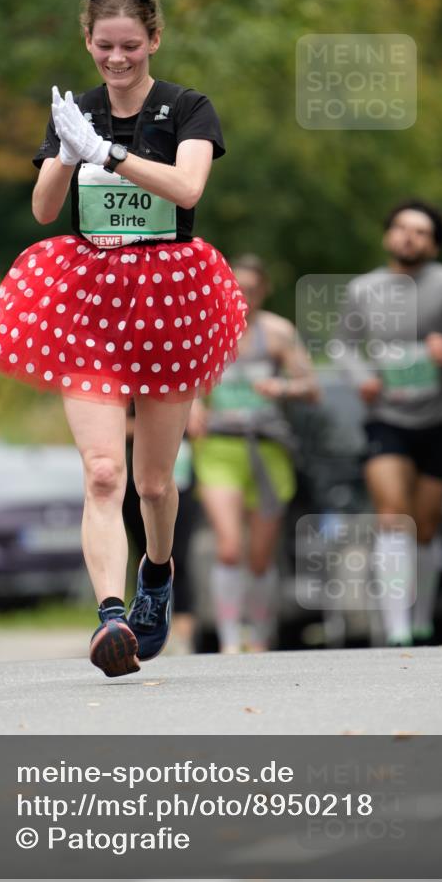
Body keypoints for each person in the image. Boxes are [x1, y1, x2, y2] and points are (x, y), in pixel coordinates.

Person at [0, 0, 248, 677]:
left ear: (152, 39)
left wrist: (112, 154)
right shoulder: (77, 109)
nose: (116, 58)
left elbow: (187, 185)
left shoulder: (188, 108)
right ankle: (110, 618)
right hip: (87, 300)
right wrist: (66, 153)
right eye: (104, 47)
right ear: (87, 42)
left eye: (129, 45)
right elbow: (41, 211)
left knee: (153, 482)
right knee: (101, 472)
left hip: (169, 297)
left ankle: (157, 574)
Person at [338, 200, 442, 646]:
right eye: (402, 228)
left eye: (421, 232)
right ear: (389, 235)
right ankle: (397, 629)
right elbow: (344, 346)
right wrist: (362, 377)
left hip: (441, 416)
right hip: (386, 416)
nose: (410, 237)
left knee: (425, 525)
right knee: (392, 515)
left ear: (434, 245)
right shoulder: (364, 290)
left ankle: (419, 618)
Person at [187, 254, 319, 653]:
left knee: (260, 556)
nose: (243, 296)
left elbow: (311, 388)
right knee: (228, 547)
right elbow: (184, 380)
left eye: (251, 288)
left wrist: (282, 389)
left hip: (267, 449)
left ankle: (260, 635)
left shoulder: (277, 333)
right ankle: (230, 639)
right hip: (219, 449)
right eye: (236, 287)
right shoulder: (204, 331)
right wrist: (193, 406)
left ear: (264, 291)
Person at [122, 399, 198, 652]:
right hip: (134, 478)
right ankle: (145, 618)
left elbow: (196, 426)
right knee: (143, 556)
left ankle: (183, 641)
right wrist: (151, 426)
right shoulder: (120, 375)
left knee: (180, 556)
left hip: (181, 474)